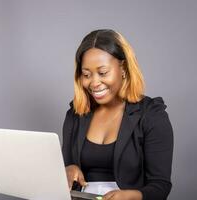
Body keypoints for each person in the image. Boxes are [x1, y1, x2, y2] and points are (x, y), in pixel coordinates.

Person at [62, 29, 173, 200]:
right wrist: (69, 169)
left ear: (123, 68)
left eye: (103, 72)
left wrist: (130, 196)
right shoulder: (75, 114)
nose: (94, 82)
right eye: (86, 75)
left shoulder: (151, 115)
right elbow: (66, 171)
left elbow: (160, 186)